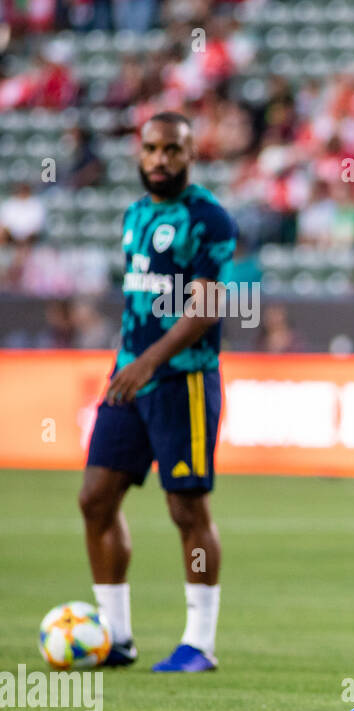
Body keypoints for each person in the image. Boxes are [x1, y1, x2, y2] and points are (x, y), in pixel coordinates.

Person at [78, 113, 237, 672]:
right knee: (95, 499)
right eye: (151, 148)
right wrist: (133, 364)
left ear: (191, 153)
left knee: (186, 508)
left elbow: (207, 307)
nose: (160, 158)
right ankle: (114, 636)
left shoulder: (208, 218)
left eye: (173, 149)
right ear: (139, 152)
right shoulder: (135, 214)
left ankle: (199, 642)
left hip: (182, 380)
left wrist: (147, 362)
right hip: (128, 379)